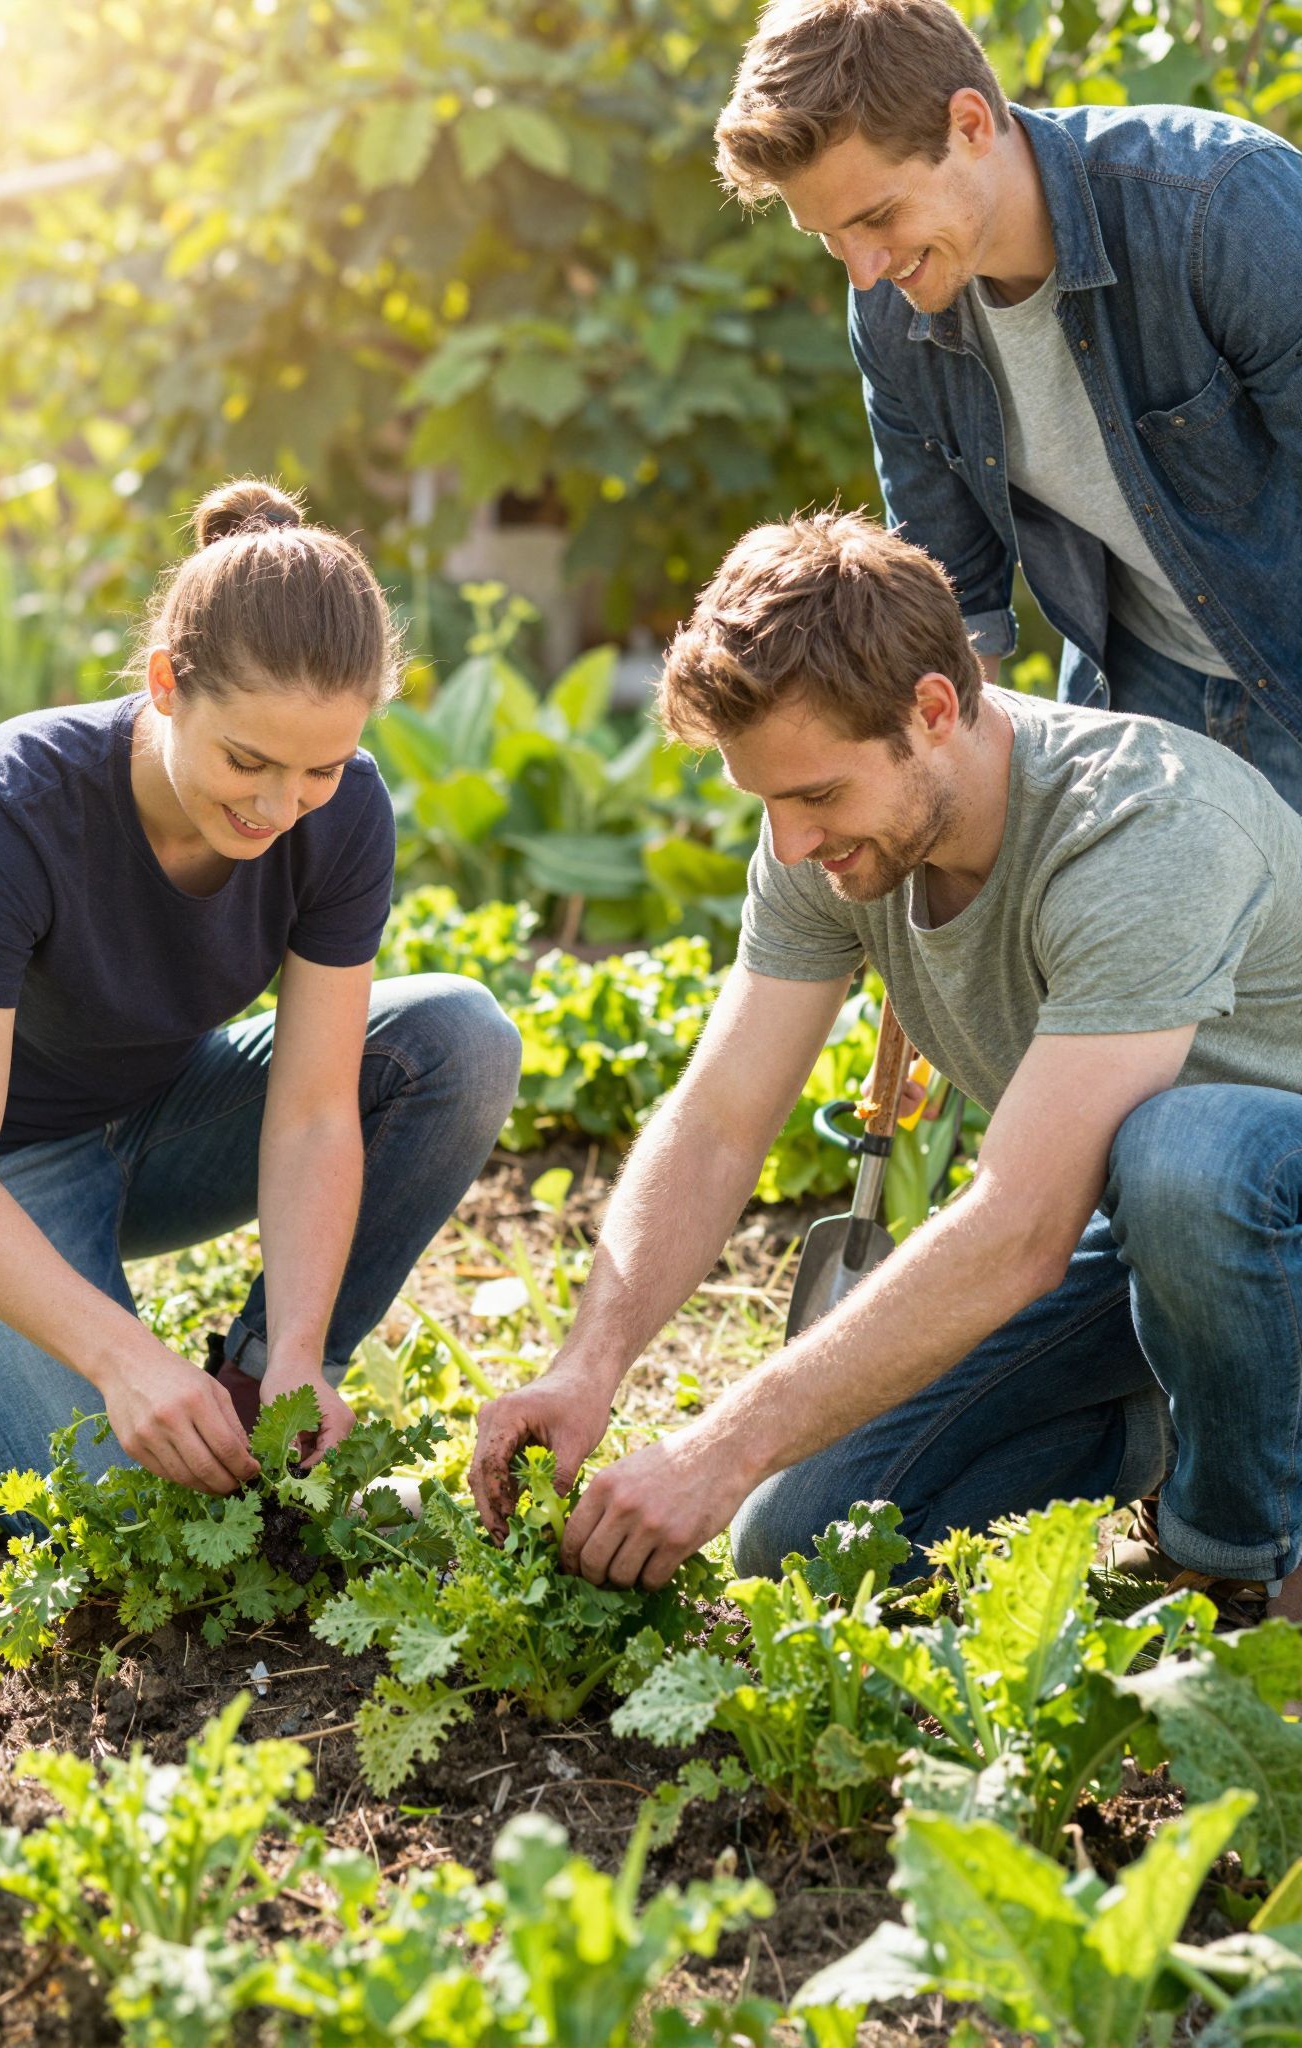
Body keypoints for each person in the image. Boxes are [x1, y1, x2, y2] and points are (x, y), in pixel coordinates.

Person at [469, 510, 1302, 1626]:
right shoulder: (822, 840)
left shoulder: (1144, 829)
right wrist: (588, 1364)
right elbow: (719, 1116)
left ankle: (1246, 1559)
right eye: (769, 800)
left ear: (934, 710)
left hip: (1247, 1203)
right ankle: (1179, 1409)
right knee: (802, 1539)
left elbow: (1018, 1226)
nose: (795, 841)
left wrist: (716, 1446)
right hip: (1161, 1248)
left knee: (1186, 1156)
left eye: (817, 795)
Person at [0, 479, 522, 1495]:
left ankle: (255, 1397)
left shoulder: (341, 818)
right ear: (166, 681)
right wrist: (126, 1358)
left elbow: (309, 1112)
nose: (279, 806)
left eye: (321, 769)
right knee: (123, 1507)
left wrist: (296, 1350)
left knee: (461, 1040)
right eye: (246, 758)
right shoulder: (1, 808)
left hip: (157, 1116)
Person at [713, 0, 1302, 813]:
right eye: (828, 237)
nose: (863, 270)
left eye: (877, 216)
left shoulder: (1220, 207)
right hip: (1138, 690)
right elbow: (956, 611)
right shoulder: (893, 309)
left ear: (969, 124)